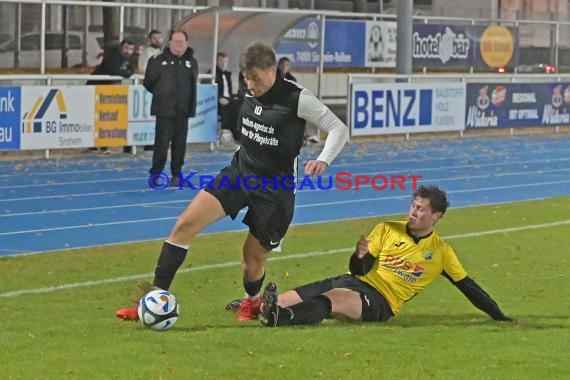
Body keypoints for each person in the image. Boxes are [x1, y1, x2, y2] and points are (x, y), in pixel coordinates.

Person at [116, 42, 349, 322]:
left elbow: (338, 127)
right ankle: (152, 300)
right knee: (184, 226)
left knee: (251, 262)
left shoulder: (297, 97)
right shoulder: (248, 88)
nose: (250, 85)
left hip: (274, 192)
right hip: (239, 174)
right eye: (246, 78)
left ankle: (252, 303)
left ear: (273, 71)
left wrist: (323, 158)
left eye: (256, 79)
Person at [256, 185, 514, 327]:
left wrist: (499, 316)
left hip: (380, 301)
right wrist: (359, 256)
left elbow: (470, 288)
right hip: (350, 280)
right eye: (413, 206)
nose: (413, 212)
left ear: (437, 216)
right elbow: (359, 270)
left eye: (421, 209)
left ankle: (281, 319)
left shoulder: (442, 253)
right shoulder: (387, 228)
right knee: (286, 298)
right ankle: (259, 308)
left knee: (334, 299)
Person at [143, 29, 198, 188]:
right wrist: (163, 96)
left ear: (186, 44)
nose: (179, 45)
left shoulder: (192, 61)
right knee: (161, 145)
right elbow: (148, 82)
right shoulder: (158, 60)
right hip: (164, 112)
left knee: (180, 146)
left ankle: (176, 176)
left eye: (182, 42)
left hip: (183, 112)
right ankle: (156, 175)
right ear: (170, 42)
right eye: (176, 41)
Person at [87, 38, 136, 154]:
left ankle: (103, 145)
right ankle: (94, 144)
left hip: (108, 90)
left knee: (106, 117)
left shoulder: (130, 59)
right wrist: (125, 74)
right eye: (126, 48)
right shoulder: (113, 56)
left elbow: (131, 71)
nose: (128, 51)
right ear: (121, 47)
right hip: (95, 87)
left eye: (131, 49)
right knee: (95, 116)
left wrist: (125, 74)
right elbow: (114, 71)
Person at [215, 51, 240, 141]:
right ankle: (231, 132)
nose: (223, 63)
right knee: (232, 106)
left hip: (229, 98)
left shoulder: (228, 74)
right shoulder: (213, 73)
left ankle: (239, 131)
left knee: (241, 103)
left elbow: (229, 91)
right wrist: (218, 98)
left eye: (225, 61)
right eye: (221, 61)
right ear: (217, 61)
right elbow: (211, 89)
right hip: (219, 100)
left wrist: (234, 98)